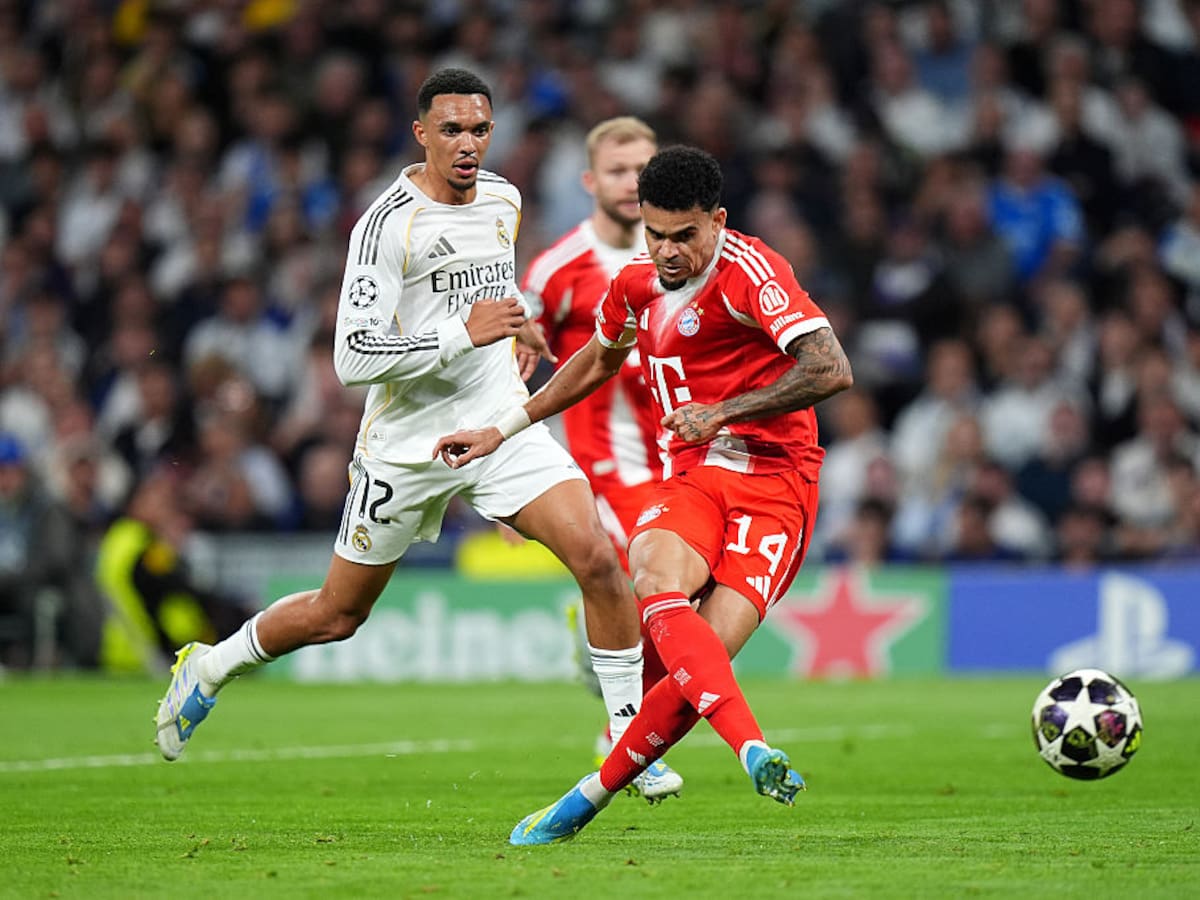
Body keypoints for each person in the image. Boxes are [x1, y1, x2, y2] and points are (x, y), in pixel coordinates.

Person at [154, 69, 647, 777]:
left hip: (495, 422)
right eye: (451, 130)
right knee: (337, 614)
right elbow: (354, 358)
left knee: (598, 560)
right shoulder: (387, 225)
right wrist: (461, 335)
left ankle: (632, 742)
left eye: (479, 129)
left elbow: (488, 290)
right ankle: (212, 664)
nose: (467, 143)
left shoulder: (503, 199)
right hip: (407, 444)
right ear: (421, 135)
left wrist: (521, 328)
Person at [434, 146, 853, 844]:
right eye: (654, 234)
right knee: (652, 579)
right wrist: (501, 429)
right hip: (694, 474)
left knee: (699, 664)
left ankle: (584, 801)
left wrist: (725, 411)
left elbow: (831, 367)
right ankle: (752, 748)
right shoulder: (636, 285)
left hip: (779, 483)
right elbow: (595, 360)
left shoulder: (753, 272)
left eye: (684, 235)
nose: (666, 251)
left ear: (717, 221)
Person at [521, 115, 680, 796]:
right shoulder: (560, 268)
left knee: (688, 607)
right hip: (606, 464)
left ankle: (605, 675)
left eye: (643, 170)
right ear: (590, 181)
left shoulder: (680, 254)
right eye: (617, 171)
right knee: (666, 594)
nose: (631, 183)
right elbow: (516, 354)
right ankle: (626, 736)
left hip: (681, 456)